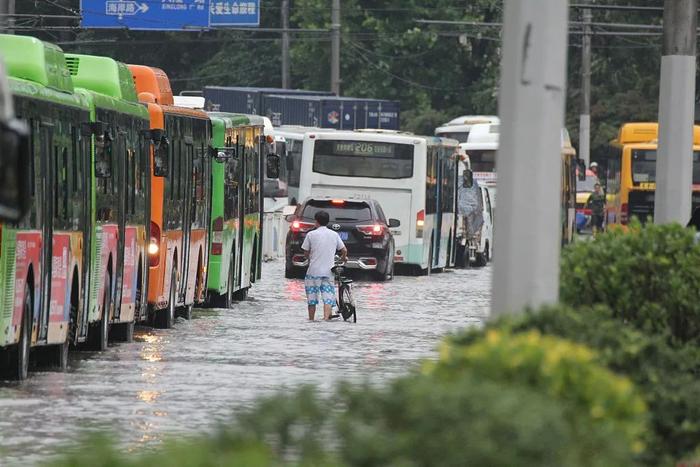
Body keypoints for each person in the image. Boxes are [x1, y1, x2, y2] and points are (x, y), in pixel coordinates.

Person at [301, 210, 348, 321]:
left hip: (313, 272)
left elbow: (306, 253)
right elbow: (344, 250)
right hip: (329, 272)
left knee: (312, 299)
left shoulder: (311, 235)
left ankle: (311, 319)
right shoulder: (334, 234)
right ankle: (326, 319)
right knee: (328, 298)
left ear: (316, 222)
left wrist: (310, 257)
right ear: (327, 222)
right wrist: (342, 258)